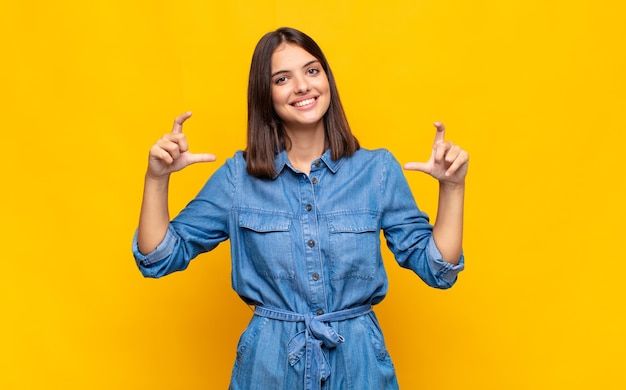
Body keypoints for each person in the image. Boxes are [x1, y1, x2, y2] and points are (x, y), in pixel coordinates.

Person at [132, 27, 468, 390]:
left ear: (327, 79)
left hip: (359, 367)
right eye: (282, 78)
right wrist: (156, 179)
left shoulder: (377, 171)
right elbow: (158, 259)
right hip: (268, 366)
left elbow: (438, 270)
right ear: (266, 95)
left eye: (312, 70)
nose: (303, 86)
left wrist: (452, 188)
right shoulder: (238, 178)